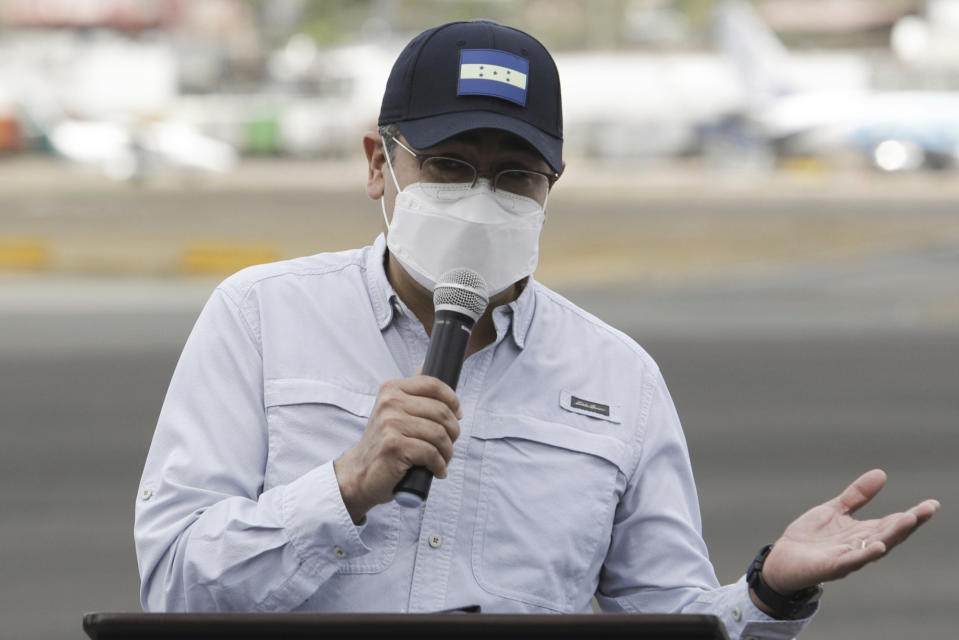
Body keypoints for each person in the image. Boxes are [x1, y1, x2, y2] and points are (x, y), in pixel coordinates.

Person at [133, 19, 939, 639]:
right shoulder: (261, 317)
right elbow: (172, 584)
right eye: (449, 168)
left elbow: (670, 621)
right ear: (380, 162)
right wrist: (341, 489)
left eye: (514, 176)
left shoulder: (617, 377)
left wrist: (769, 592)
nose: (481, 199)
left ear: (551, 187)